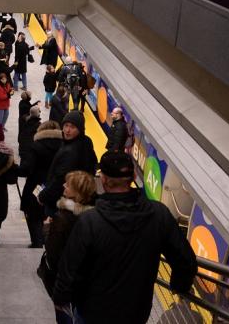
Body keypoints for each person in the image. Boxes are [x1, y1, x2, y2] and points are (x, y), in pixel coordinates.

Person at [52, 151, 198, 324]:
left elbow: (70, 268)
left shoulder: (89, 221)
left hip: (93, 311)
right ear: (134, 175)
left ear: (103, 180)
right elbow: (186, 260)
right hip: (136, 312)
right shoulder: (159, 214)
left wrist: (61, 299)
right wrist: (180, 286)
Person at [39, 170, 96, 321]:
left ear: (77, 192)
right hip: (87, 284)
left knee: (64, 317)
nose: (64, 185)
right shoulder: (94, 216)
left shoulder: (62, 218)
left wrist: (46, 229)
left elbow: (53, 254)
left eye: (68, 185)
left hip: (64, 283)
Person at [38, 111, 98, 213]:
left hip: (61, 200)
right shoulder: (86, 140)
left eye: (73, 127)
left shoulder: (70, 152)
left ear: (80, 129)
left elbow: (59, 179)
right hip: (80, 196)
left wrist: (43, 196)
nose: (67, 130)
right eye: (66, 125)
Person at [18, 120, 62, 248]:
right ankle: (50, 240)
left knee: (33, 214)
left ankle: (37, 241)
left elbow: (26, 168)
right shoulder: (64, 145)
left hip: (36, 185)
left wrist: (14, 169)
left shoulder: (36, 146)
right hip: (57, 185)